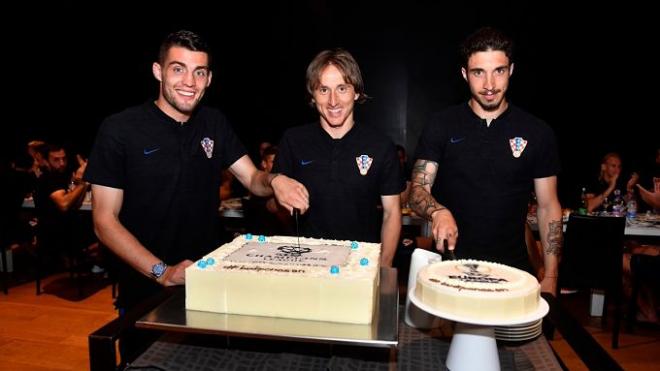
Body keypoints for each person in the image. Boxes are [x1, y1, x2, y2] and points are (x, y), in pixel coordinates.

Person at [84, 30, 308, 361]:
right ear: (158, 71)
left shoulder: (214, 123)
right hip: (145, 290)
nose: (189, 81)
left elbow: (252, 178)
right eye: (178, 69)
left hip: (206, 284)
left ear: (209, 79)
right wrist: (162, 271)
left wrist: (274, 180)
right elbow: (104, 221)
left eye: (199, 72)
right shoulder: (120, 129)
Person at [410, 27, 563, 295]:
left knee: (517, 339)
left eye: (499, 71)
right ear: (464, 74)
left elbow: (549, 206)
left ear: (511, 70)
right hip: (450, 271)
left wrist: (550, 274)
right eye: (478, 72)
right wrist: (438, 212)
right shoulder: (441, 125)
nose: (489, 85)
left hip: (514, 273)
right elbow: (417, 191)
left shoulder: (537, 132)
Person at [273, 48, 404, 267]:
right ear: (312, 95)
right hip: (306, 265)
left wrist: (382, 270)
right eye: (323, 90)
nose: (333, 101)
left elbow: (392, 213)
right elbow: (275, 206)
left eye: (342, 88)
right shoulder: (293, 140)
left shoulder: (380, 145)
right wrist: (278, 198)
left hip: (360, 267)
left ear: (356, 92)